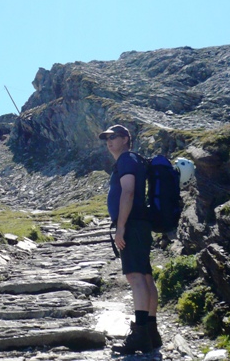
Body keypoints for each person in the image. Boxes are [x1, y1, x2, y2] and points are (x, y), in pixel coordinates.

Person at [98, 124, 161, 354]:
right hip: (140, 224)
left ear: (126, 139)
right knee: (145, 277)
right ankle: (151, 333)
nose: (109, 141)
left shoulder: (126, 160)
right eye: (106, 138)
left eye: (113, 137)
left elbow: (129, 191)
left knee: (135, 277)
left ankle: (140, 335)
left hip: (132, 224)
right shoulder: (135, 160)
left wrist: (121, 227)